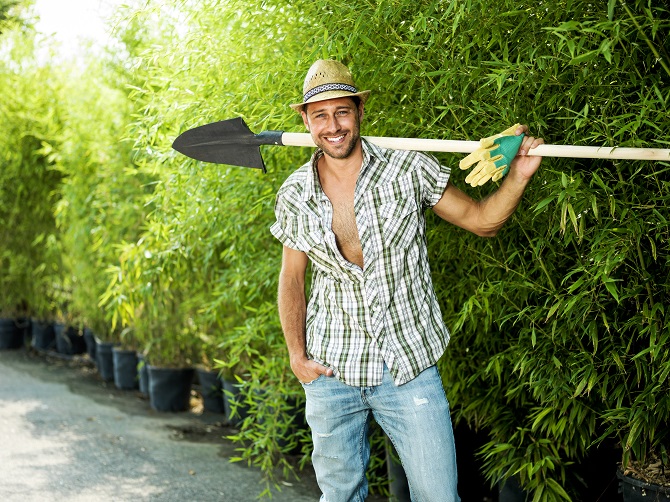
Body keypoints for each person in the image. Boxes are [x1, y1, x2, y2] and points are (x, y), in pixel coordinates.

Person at [270, 59, 544, 502]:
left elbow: (480, 220)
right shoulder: (294, 193)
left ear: (359, 111)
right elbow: (292, 281)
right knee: (339, 496)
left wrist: (518, 176)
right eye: (320, 114)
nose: (333, 125)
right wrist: (297, 356)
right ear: (305, 120)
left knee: (438, 495)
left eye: (342, 111)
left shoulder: (407, 169)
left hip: (409, 365)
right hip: (331, 368)